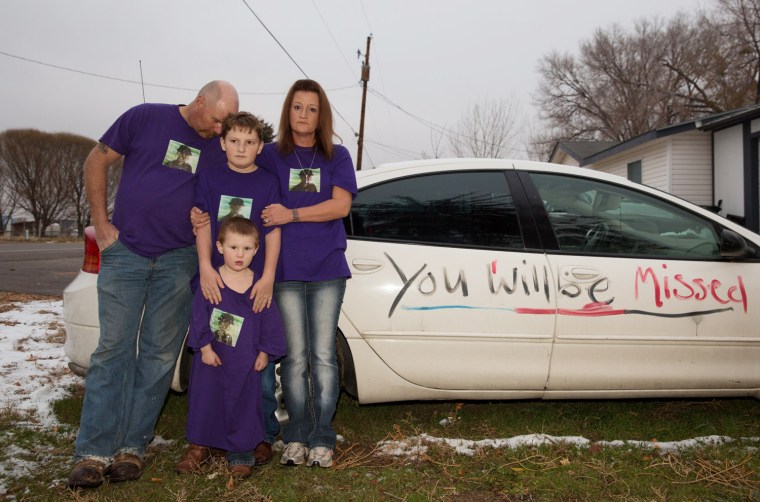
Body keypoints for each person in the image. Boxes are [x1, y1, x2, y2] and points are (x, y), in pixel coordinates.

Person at [67, 80, 239, 489]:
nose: (219, 131)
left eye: (225, 125)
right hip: (125, 252)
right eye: (216, 120)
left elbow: (249, 164)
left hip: (178, 261)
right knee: (113, 350)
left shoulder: (220, 142)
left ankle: (131, 448)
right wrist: (103, 226)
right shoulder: (145, 117)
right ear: (200, 100)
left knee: (159, 356)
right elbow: (96, 160)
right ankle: (91, 452)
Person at [258, 79, 357, 468]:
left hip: (327, 269)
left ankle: (322, 437)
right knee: (294, 358)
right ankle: (296, 434)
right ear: (288, 112)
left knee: (323, 356)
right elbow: (238, 178)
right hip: (282, 270)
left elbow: (340, 206)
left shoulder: (337, 156)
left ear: (321, 115)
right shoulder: (269, 155)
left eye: (312, 109)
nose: (304, 115)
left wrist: (292, 214)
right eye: (297, 107)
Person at [190, 111, 283, 465]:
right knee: (212, 362)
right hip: (218, 283)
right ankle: (202, 439)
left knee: (255, 368)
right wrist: (205, 269)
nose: (241, 148)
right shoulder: (210, 177)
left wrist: (268, 276)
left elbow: (273, 229)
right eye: (234, 141)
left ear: (260, 147)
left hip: (253, 288)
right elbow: (202, 222)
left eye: (249, 142)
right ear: (223, 143)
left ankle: (257, 437)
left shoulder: (268, 182)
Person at [176, 217, 286, 479]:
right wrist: (204, 347)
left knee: (245, 404)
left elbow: (270, 321)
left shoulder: (259, 285)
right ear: (219, 246)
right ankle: (199, 447)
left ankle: (240, 453)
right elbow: (199, 315)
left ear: (256, 250)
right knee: (205, 401)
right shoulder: (211, 280)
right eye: (234, 247)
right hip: (212, 357)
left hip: (245, 361)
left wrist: (264, 352)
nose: (240, 254)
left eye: (247, 249)